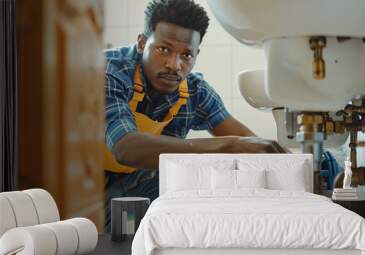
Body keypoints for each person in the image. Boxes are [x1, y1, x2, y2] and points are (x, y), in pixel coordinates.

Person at [103, 0, 286, 231]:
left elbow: (249, 143)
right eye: (164, 49)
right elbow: (125, 148)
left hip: (137, 192)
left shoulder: (194, 91)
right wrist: (225, 147)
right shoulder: (109, 73)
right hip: (83, 196)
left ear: (196, 54)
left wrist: (291, 163)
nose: (174, 65)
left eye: (187, 55)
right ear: (142, 43)